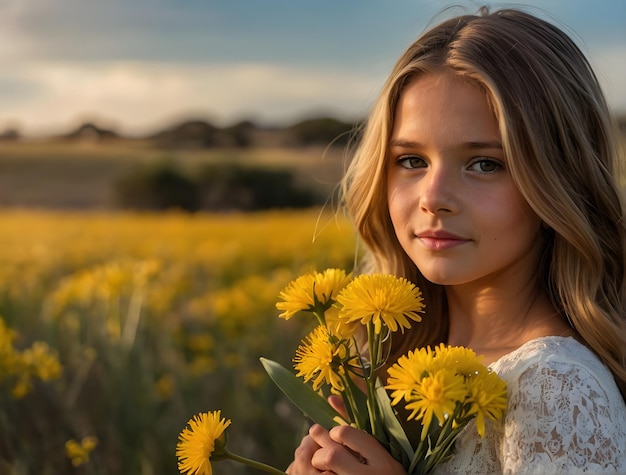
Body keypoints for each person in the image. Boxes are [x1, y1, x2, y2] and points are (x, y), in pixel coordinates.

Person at [286, 6, 626, 475]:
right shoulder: (389, 366)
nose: (435, 198)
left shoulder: (554, 388)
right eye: (411, 160)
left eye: (485, 164)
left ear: (559, 180)